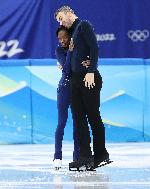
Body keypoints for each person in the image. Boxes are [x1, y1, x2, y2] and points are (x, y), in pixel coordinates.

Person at [54, 6, 111, 170]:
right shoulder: (71, 32)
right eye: (58, 20)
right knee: (79, 119)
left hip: (88, 78)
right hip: (75, 80)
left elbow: (94, 47)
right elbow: (73, 55)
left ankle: (101, 154)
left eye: (60, 18)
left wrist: (91, 70)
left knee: (93, 116)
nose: (61, 22)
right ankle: (85, 156)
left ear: (68, 12)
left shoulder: (83, 25)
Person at [53, 26, 90, 170]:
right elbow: (68, 70)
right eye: (59, 39)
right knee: (61, 123)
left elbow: (85, 64)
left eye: (65, 38)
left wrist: (88, 62)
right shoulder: (59, 51)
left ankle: (77, 157)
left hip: (77, 90)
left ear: (70, 37)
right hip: (64, 88)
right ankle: (57, 156)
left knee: (77, 125)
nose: (62, 41)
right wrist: (69, 52)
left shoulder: (79, 49)